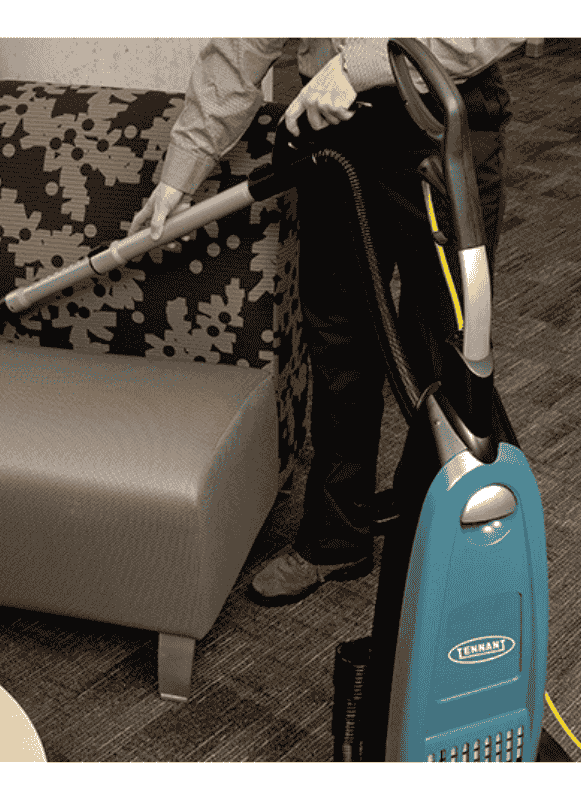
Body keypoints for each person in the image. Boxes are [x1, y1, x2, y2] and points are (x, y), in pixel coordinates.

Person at [129, 38, 524, 606]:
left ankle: (451, 531)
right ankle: (338, 534)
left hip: (440, 124)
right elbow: (246, 39)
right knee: (339, 342)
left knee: (447, 346)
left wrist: (361, 65)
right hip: (336, 133)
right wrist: (178, 176)